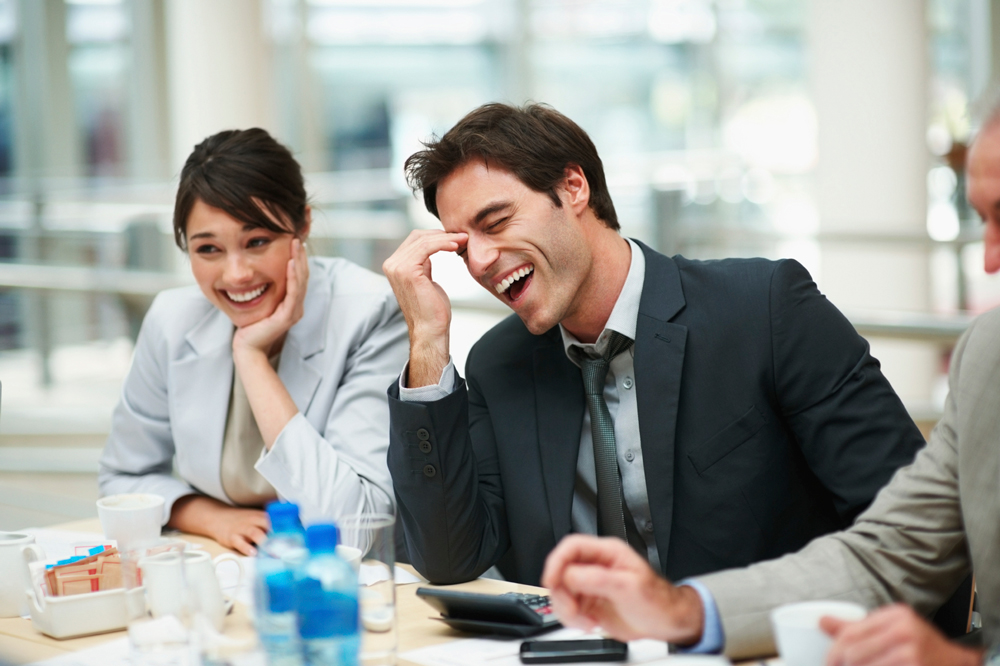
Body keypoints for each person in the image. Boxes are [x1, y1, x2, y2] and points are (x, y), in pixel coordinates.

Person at [381, 102, 926, 586]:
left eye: (495, 222)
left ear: (573, 188)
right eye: (461, 246)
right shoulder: (500, 364)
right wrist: (427, 342)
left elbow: (911, 524)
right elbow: (449, 559)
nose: (477, 262)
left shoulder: (762, 309)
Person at [540, 112, 1000, 666]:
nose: (989, 258)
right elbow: (888, 553)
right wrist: (684, 611)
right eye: (982, 221)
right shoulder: (987, 357)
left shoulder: (764, 305)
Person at [99, 129, 409, 555]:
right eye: (208, 249)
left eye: (257, 242)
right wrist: (211, 518)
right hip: (225, 566)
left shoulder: (370, 314)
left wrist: (251, 357)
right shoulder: (172, 319)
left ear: (302, 226)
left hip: (342, 579)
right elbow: (122, 478)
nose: (236, 274)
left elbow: (354, 525)